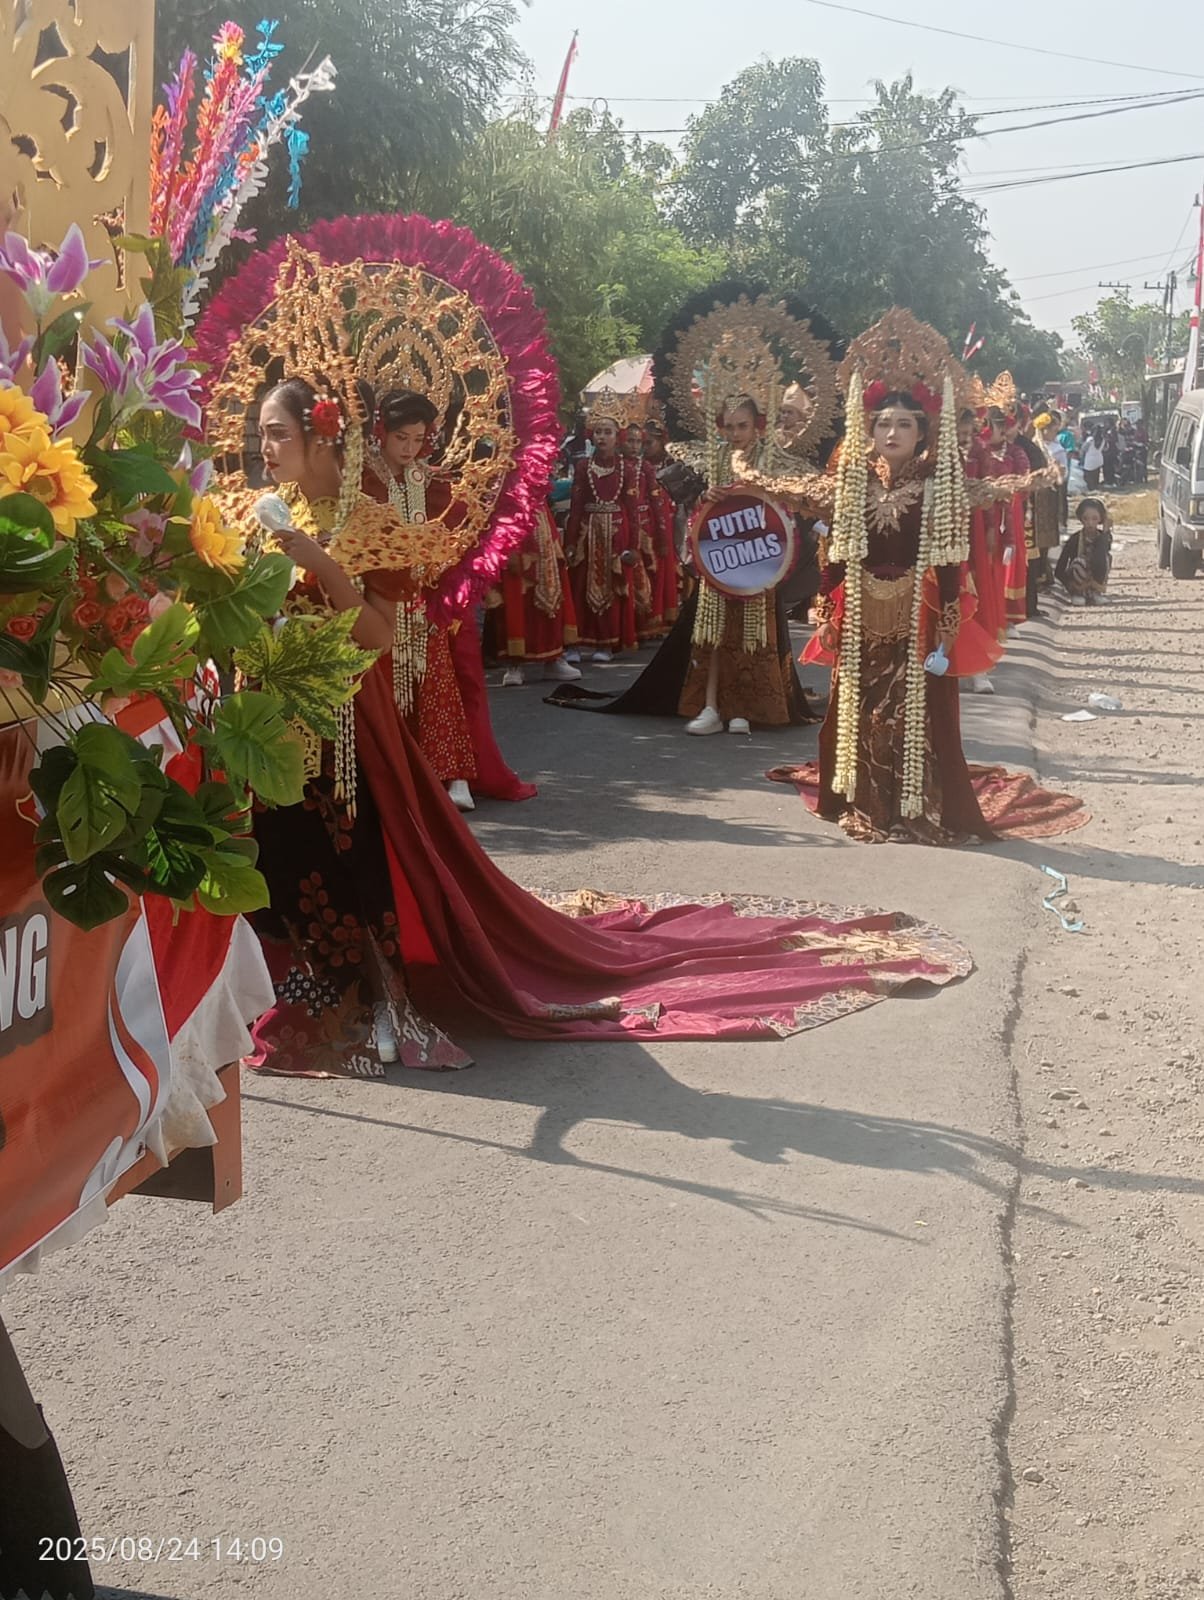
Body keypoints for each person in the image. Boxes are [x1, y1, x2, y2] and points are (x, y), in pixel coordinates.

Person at [233, 382, 972, 1069]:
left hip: (344, 720)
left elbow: (378, 637)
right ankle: (276, 988)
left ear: (322, 437)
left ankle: (366, 998)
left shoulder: (368, 526)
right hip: (267, 717)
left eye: (278, 433)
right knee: (278, 853)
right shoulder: (251, 515)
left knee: (347, 855)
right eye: (261, 433)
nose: (265, 448)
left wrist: (322, 567)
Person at [733, 310, 1056, 844]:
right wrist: (825, 607)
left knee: (912, 713)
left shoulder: (938, 487)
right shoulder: (851, 483)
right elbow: (835, 549)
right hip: (861, 610)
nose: (892, 432)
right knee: (861, 708)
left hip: (918, 615)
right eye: (883, 423)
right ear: (870, 429)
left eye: (904, 424)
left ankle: (913, 805)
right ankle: (864, 798)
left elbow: (949, 556)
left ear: (922, 432)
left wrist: (949, 622)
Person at [365, 387, 536, 809]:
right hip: (378, 604)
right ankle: (396, 774)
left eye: (417, 439)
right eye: (401, 437)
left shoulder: (433, 481)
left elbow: (458, 538)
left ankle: (453, 774)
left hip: (425, 602)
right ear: (381, 432)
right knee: (382, 691)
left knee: (439, 689)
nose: (409, 448)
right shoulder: (363, 479)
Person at [564, 401, 639, 662]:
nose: (602, 437)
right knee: (579, 585)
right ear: (591, 435)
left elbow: (632, 511)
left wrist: (633, 547)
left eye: (608, 432)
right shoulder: (583, 466)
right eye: (598, 432)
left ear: (617, 436)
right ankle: (575, 644)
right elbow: (575, 508)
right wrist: (570, 542)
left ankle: (606, 643)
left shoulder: (627, 468)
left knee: (613, 587)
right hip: (587, 533)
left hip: (616, 535)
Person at [1056, 497, 1112, 604]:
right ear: (1081, 519)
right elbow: (1061, 565)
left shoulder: (1103, 537)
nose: (1090, 523)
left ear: (1101, 519)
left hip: (1096, 575)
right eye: (1086, 519)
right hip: (1078, 577)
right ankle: (1078, 593)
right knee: (1079, 562)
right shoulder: (1075, 539)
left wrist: (1105, 532)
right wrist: (1069, 585)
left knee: (1106, 558)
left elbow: (1102, 553)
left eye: (1094, 519)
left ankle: (1095, 592)